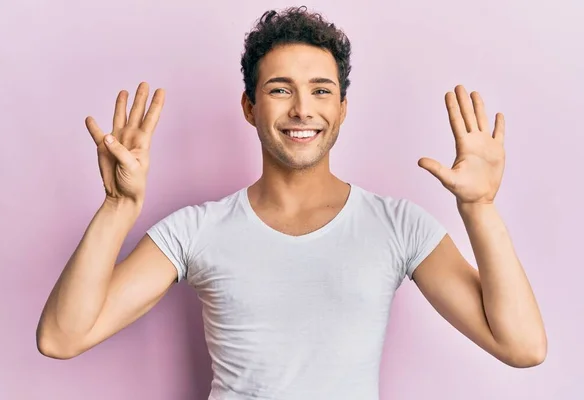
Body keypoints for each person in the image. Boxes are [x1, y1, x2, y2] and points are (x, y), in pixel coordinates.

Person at [36, 6, 547, 399]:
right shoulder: (196, 230)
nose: (303, 109)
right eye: (280, 90)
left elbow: (522, 346)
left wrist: (479, 209)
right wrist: (116, 206)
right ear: (249, 107)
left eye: (321, 91)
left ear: (342, 109)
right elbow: (62, 337)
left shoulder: (398, 226)